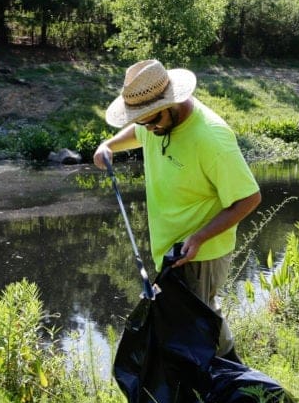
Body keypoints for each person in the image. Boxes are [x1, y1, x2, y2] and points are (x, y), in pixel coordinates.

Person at [94, 59, 261, 362]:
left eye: (151, 121)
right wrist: (109, 145)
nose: (147, 128)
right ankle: (202, 378)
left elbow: (249, 198)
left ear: (171, 104)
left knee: (202, 315)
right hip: (170, 248)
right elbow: (138, 132)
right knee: (184, 317)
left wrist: (199, 238)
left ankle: (232, 378)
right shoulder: (154, 122)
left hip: (201, 251)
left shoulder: (210, 137)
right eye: (140, 120)